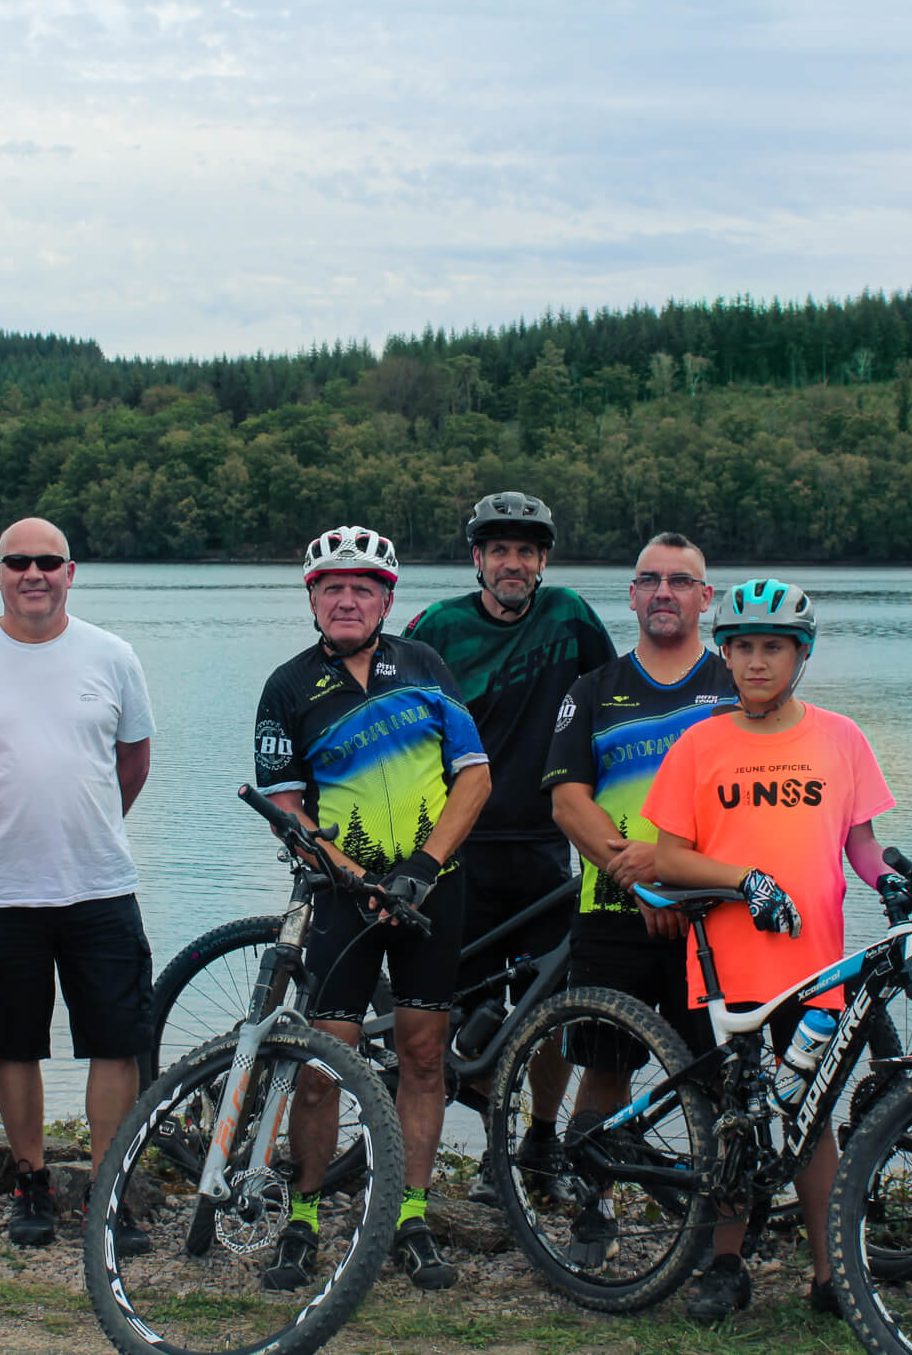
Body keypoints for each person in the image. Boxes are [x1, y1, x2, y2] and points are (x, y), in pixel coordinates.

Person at [643, 579, 898, 1319]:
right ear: (725, 654)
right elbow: (668, 857)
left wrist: (895, 880)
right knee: (736, 1116)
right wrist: (743, 878)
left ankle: (831, 1273)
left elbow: (860, 843)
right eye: (744, 647)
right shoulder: (700, 744)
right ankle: (725, 1265)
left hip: (815, 964)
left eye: (773, 648)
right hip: (730, 968)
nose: (757, 663)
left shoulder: (840, 737)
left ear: (801, 655)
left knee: (813, 1118)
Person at [253, 524, 491, 1291]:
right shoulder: (287, 687)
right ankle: (305, 1216)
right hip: (342, 898)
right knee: (323, 1068)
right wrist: (359, 879)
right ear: (312, 598)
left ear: (387, 598)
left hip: (431, 889)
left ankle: (409, 1214)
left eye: (362, 587)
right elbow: (287, 806)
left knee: (423, 1056)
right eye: (331, 586)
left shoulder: (424, 666)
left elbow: (474, 778)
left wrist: (422, 869)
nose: (346, 598)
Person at [0, 519, 156, 1254]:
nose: (34, 574)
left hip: (99, 884)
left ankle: (107, 1189)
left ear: (71, 572)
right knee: (12, 1042)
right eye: (18, 561)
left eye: (48, 561)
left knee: (115, 1041)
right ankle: (30, 1182)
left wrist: (85, 826)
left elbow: (134, 760)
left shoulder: (112, 656)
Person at [401, 490, 613, 1200]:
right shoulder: (439, 627)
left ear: (543, 559)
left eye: (526, 550)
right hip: (461, 846)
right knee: (468, 1017)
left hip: (547, 850)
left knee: (548, 1010)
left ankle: (539, 1139)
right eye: (499, 550)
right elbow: (400, 719)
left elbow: (609, 709)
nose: (513, 562)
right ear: (477, 558)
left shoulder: (572, 618)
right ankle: (493, 1137)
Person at [541, 533, 736, 1267]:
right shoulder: (593, 688)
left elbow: (751, 808)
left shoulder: (737, 683)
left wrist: (683, 879)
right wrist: (643, 878)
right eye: (649, 579)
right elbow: (568, 801)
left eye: (681, 581)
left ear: (704, 598)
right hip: (612, 913)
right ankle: (593, 1215)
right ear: (631, 595)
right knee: (605, 1064)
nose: (664, 592)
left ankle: (720, 1239)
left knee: (717, 1079)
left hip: (716, 919)